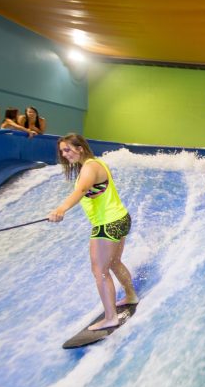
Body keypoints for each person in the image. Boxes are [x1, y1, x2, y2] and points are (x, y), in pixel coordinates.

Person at [48, 134, 138, 330]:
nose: (64, 154)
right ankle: (131, 295)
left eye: (68, 149)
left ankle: (111, 317)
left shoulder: (89, 167)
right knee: (114, 263)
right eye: (62, 151)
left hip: (107, 224)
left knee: (100, 271)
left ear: (80, 148)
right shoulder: (97, 164)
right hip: (120, 218)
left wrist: (61, 209)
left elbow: (80, 191)